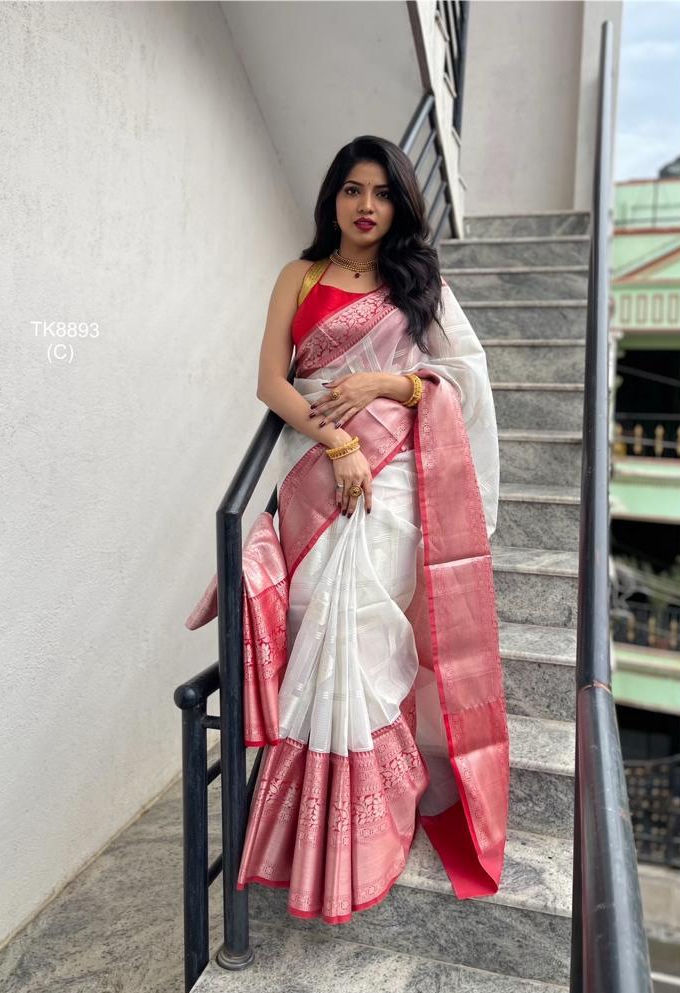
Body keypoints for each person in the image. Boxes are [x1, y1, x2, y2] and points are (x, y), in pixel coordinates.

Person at [188, 135, 510, 926]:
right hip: (320, 471)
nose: (366, 206)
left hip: (399, 478)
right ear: (331, 196)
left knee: (358, 628)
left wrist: (387, 381)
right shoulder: (297, 276)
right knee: (317, 623)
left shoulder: (416, 283)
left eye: (382, 193)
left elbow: (465, 376)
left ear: (399, 205)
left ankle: (372, 816)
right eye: (352, 189)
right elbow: (272, 380)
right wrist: (336, 444)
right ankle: (319, 829)